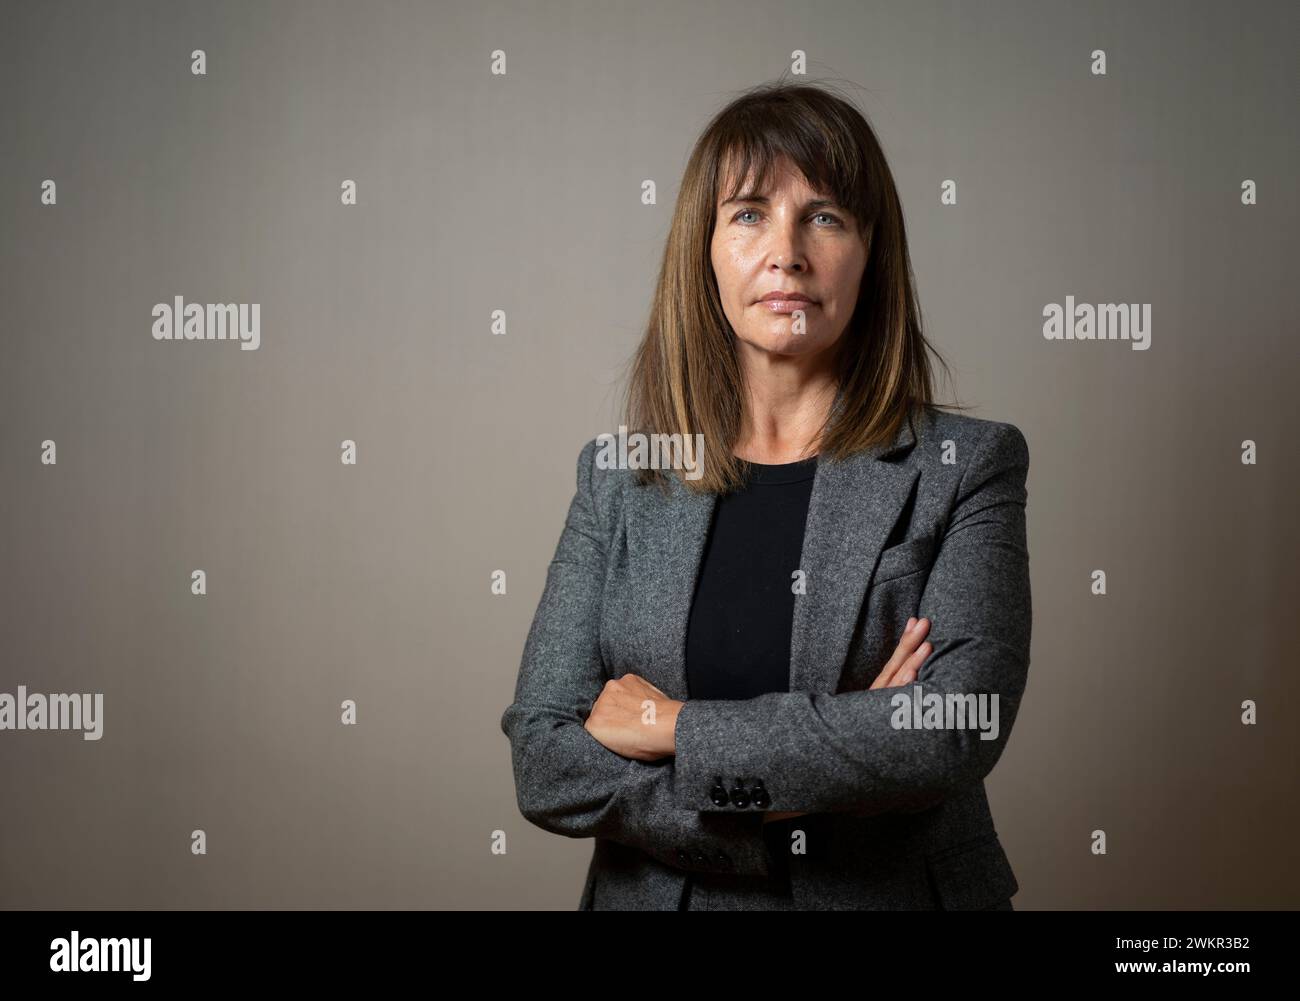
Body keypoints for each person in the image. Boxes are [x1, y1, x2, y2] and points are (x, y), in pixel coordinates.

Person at [500, 80, 1030, 910]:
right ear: (704, 249)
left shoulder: (967, 465)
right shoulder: (619, 476)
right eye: (748, 212)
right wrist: (827, 769)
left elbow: (956, 725)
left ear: (870, 251)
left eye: (825, 215)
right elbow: (545, 758)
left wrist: (671, 728)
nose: (787, 251)